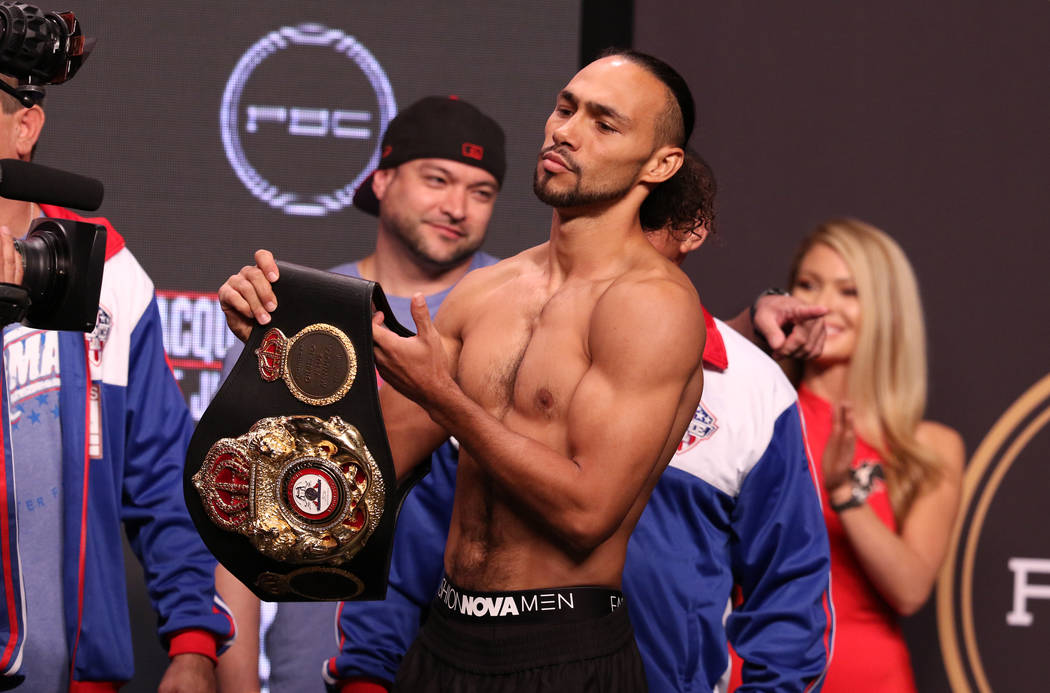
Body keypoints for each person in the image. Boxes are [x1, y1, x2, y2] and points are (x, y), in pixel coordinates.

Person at [220, 49, 708, 692]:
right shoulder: (484, 295)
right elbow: (366, 468)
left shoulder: (654, 306)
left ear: (660, 163)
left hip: (562, 649)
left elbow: (587, 513)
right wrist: (280, 352)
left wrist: (446, 399)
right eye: (566, 108)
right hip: (443, 640)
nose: (566, 130)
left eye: (604, 123)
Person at [325, 153, 834, 693]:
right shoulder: (502, 350)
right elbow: (409, 539)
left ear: (692, 232)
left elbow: (789, 591)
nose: (609, 247)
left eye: (637, 225)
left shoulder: (754, 389)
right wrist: (366, 676)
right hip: (460, 659)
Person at [214, 95, 506, 693]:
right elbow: (234, 512)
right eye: (438, 179)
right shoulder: (300, 315)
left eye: (481, 191)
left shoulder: (520, 316)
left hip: (476, 665)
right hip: (309, 664)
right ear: (383, 179)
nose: (457, 207)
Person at [0, 78, 235, 691]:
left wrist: (193, 643)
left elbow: (161, 474)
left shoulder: (107, 271)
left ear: (25, 128)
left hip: (80, 679)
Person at [784, 218, 964, 691]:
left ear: (886, 308)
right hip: (759, 673)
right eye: (807, 285)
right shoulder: (765, 417)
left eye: (850, 291)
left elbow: (909, 590)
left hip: (871, 677)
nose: (823, 304)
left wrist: (844, 492)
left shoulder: (929, 447)